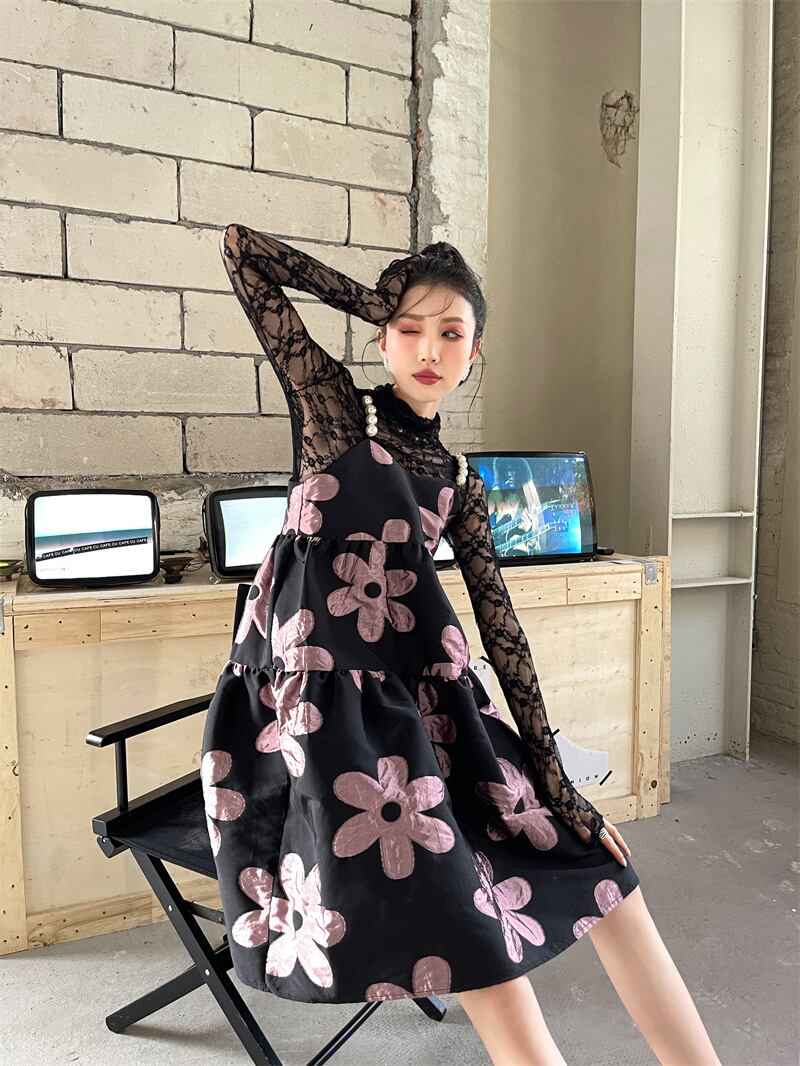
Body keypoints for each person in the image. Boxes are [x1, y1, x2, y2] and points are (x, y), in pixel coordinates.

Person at [201, 224, 720, 1065]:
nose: (429, 350)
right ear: (381, 338)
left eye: (452, 333)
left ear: (475, 352)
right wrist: (373, 298)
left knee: (607, 877)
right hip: (313, 732)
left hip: (428, 717)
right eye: (409, 329)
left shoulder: (461, 481)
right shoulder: (334, 416)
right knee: (474, 926)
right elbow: (241, 253)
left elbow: (502, 631)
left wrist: (560, 788)